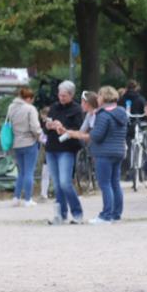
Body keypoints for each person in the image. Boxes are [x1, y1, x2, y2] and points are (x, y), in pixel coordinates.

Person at [68, 86, 128, 224]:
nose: (97, 98)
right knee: (115, 183)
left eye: (99, 96)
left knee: (105, 184)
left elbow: (96, 136)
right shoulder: (121, 112)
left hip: (104, 153)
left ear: (104, 97)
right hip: (118, 151)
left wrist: (80, 135)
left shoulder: (103, 114)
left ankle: (106, 215)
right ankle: (116, 214)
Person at [43, 81, 85, 224]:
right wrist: (48, 125)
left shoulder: (77, 109)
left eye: (64, 96)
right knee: (56, 184)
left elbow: (79, 130)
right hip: (51, 148)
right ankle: (61, 214)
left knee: (65, 182)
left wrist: (63, 128)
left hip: (66, 149)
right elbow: (45, 129)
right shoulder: (54, 107)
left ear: (71, 95)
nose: (61, 98)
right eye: (60, 95)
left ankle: (77, 213)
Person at [7, 87, 42, 207]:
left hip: (16, 143)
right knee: (29, 172)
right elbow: (35, 128)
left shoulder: (11, 107)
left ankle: (16, 198)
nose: (32, 102)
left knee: (21, 172)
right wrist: (42, 138)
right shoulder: (30, 109)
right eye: (32, 99)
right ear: (28, 98)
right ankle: (28, 199)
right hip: (29, 142)